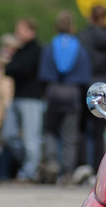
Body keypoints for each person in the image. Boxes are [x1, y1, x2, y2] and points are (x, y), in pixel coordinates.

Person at [39, 12, 92, 185]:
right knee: (70, 135)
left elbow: (43, 75)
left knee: (51, 131)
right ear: (72, 27)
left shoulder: (50, 47)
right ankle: (68, 171)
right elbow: (85, 77)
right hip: (72, 93)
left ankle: (52, 162)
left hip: (54, 92)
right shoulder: (80, 49)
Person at [78, 4, 106, 174]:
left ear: (91, 17)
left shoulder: (83, 37)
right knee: (99, 130)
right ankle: (98, 167)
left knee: (82, 126)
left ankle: (82, 165)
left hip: (86, 81)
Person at [0, 18, 44, 183]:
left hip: (31, 99)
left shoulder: (36, 49)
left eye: (21, 29)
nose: (18, 33)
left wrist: (15, 68)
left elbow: (18, 67)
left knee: (31, 139)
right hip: (17, 97)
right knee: (8, 135)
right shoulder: (20, 50)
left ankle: (29, 172)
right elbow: (9, 69)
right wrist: (15, 68)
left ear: (30, 31)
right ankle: (30, 163)